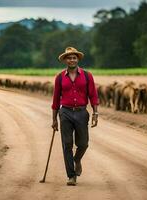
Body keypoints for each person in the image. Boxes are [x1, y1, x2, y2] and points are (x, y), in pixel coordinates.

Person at [51, 47, 99, 186]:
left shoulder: (87, 75)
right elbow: (55, 100)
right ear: (65, 60)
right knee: (67, 145)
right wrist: (54, 119)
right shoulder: (60, 77)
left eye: (74, 57)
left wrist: (95, 113)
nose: (72, 60)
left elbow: (93, 96)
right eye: (69, 58)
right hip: (65, 113)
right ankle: (71, 176)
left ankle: (77, 159)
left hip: (81, 112)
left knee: (83, 143)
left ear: (77, 59)